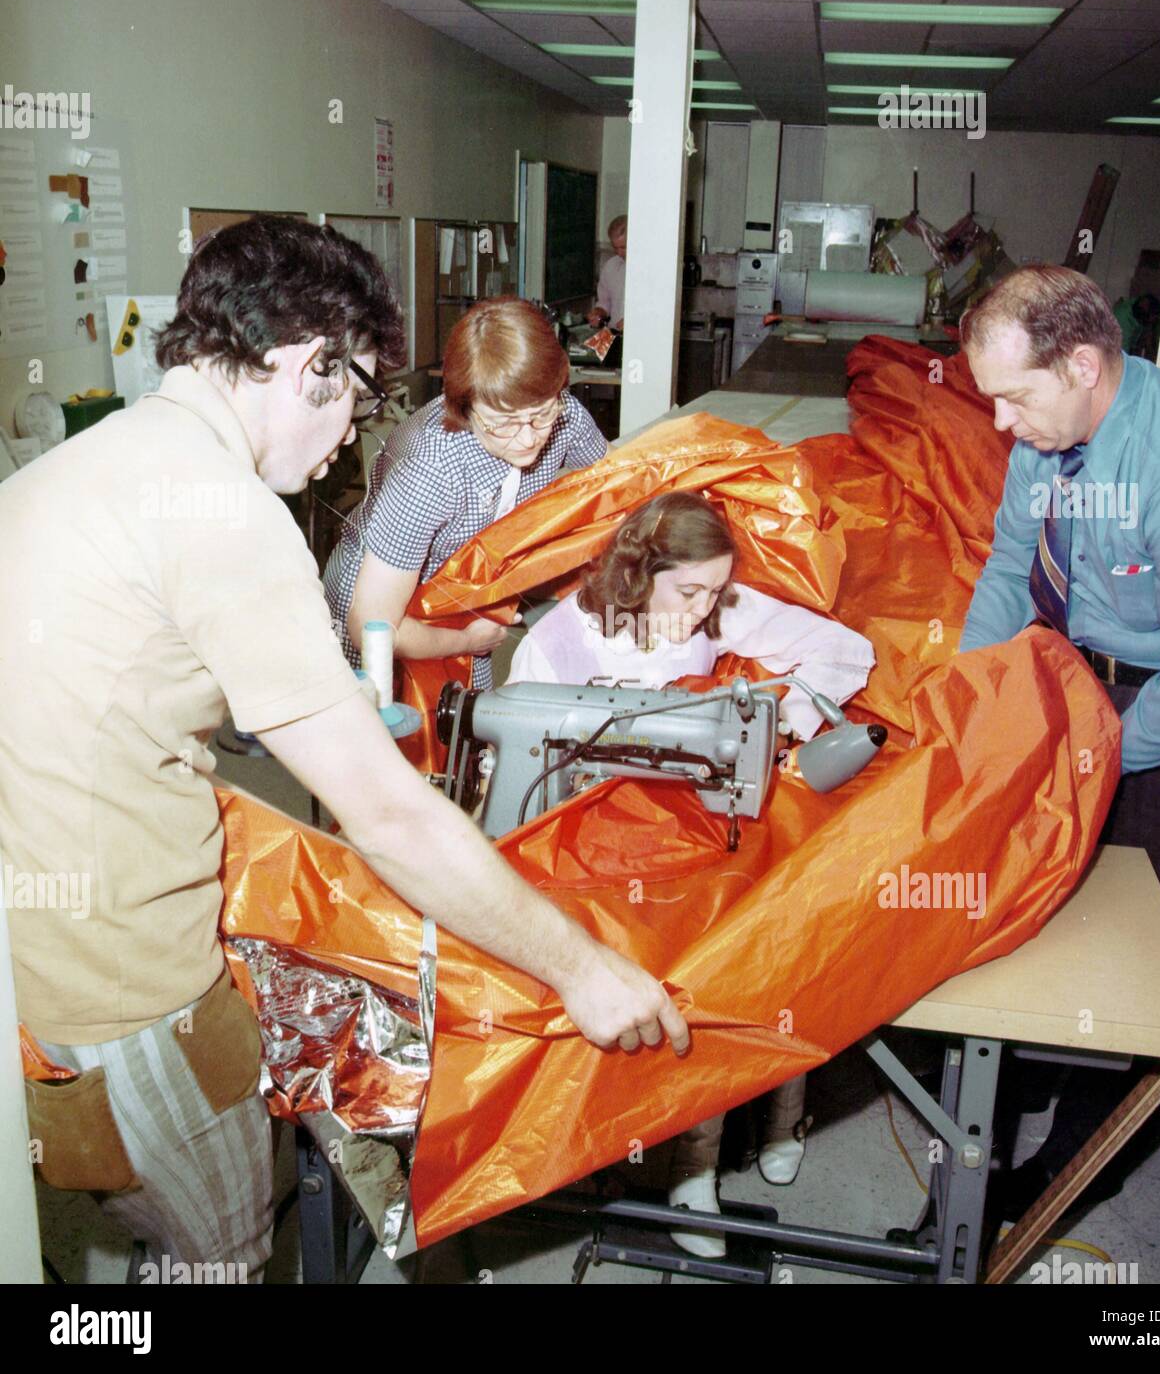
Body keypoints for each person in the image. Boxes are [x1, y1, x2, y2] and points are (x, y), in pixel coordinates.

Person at [0, 216, 687, 1282]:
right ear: (306, 361)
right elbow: (389, 811)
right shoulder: (227, 515)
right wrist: (581, 967)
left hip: (27, 964)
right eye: (357, 397)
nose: (349, 440)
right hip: (124, 995)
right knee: (217, 1255)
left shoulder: (71, 469)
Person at [957, 263, 1160, 1214]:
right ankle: (1006, 1118)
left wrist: (1092, 759)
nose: (1001, 424)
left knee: (1142, 953)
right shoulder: (1047, 437)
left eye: (1014, 397)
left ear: (1084, 364)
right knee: (1043, 911)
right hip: (1083, 675)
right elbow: (1013, 562)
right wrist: (969, 695)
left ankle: (1069, 1174)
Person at [509, 491, 875, 1257]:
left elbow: (848, 653)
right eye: (690, 592)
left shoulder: (714, 604)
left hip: (699, 830)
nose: (707, 608)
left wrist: (782, 725)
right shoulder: (558, 646)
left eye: (717, 592)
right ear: (637, 572)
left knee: (760, 940)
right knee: (671, 965)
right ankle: (674, 1153)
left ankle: (759, 1125)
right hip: (601, 848)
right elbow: (524, 764)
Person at [323, 296, 607, 688]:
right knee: (383, 722)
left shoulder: (563, 415)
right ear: (465, 408)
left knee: (463, 719)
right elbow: (375, 629)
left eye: (540, 415)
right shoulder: (432, 465)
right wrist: (464, 640)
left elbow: (614, 485)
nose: (528, 438)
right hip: (375, 597)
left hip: (464, 591)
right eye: (503, 423)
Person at [587, 214, 626, 331]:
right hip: (613, 334)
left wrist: (637, 321)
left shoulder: (649, 269)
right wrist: (599, 312)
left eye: (623, 247)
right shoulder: (611, 266)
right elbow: (604, 302)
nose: (619, 253)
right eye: (615, 247)